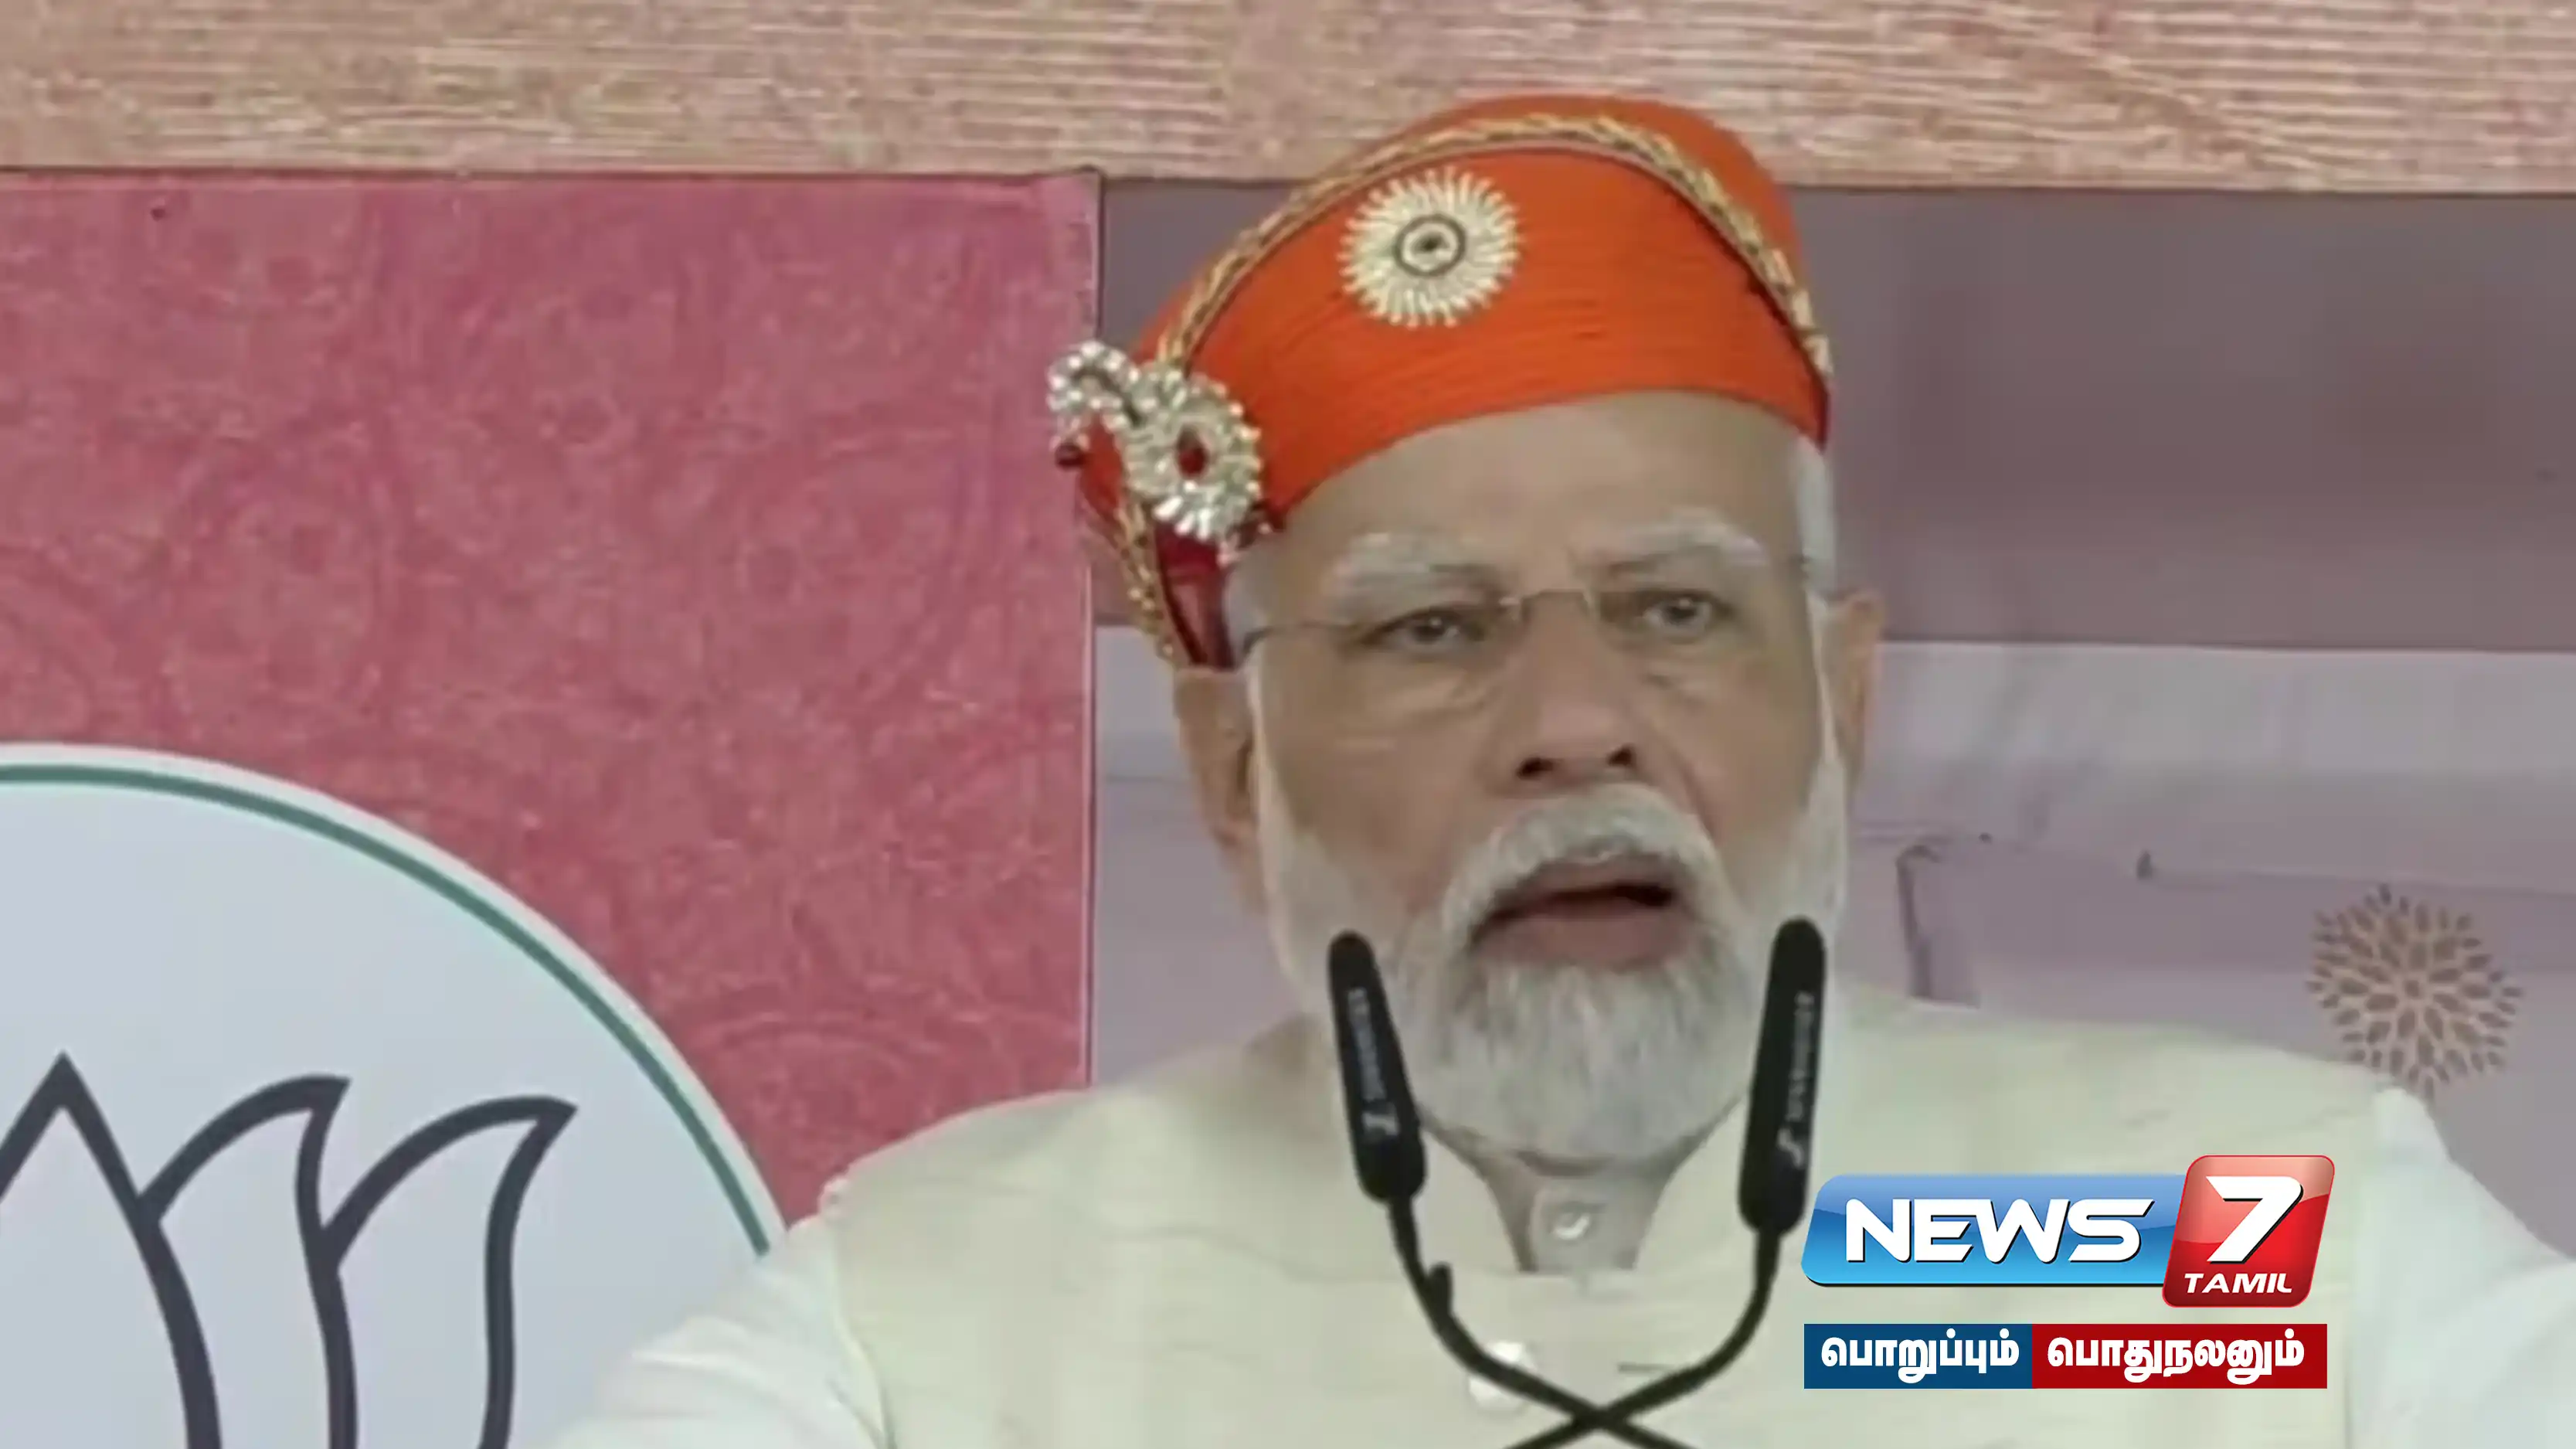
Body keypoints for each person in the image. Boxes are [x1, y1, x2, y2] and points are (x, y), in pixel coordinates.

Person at [546, 93, 2574, 1447]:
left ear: (1842, 703)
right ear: (1235, 771)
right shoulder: (944, 1310)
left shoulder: (2226, 1240)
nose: (1575, 719)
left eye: (1677, 609)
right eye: (1432, 630)